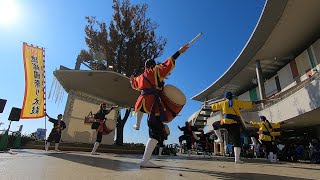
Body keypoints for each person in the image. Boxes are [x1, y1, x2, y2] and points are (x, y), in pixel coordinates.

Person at [130, 44, 189, 168]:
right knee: (156, 133)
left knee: (155, 130)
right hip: (153, 104)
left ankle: (137, 124)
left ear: (145, 67)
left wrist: (131, 79)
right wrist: (179, 52)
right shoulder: (156, 70)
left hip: (141, 101)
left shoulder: (141, 76)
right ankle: (145, 161)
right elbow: (168, 63)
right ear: (153, 65)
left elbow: (134, 83)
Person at [210, 91, 265, 163]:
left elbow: (212, 107)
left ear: (226, 97)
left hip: (225, 122)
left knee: (214, 124)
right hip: (235, 123)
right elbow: (249, 103)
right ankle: (237, 159)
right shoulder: (237, 102)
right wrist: (260, 101)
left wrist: (207, 104)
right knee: (236, 141)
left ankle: (219, 139)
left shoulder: (222, 103)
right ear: (233, 96)